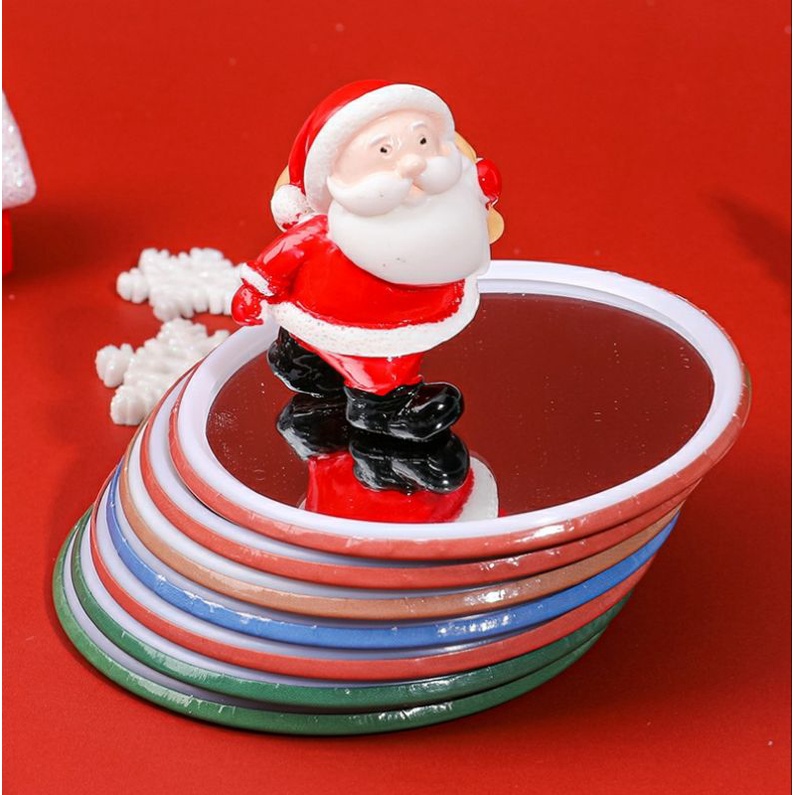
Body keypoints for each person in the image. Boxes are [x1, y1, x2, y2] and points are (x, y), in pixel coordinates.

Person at [233, 80, 502, 441]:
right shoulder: (325, 230)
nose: (412, 163)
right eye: (384, 151)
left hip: (414, 306)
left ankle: (304, 360)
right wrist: (254, 290)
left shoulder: (445, 203)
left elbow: (475, 219)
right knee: (379, 362)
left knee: (365, 353)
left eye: (422, 142)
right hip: (359, 320)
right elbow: (283, 255)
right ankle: (382, 406)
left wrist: (481, 196)